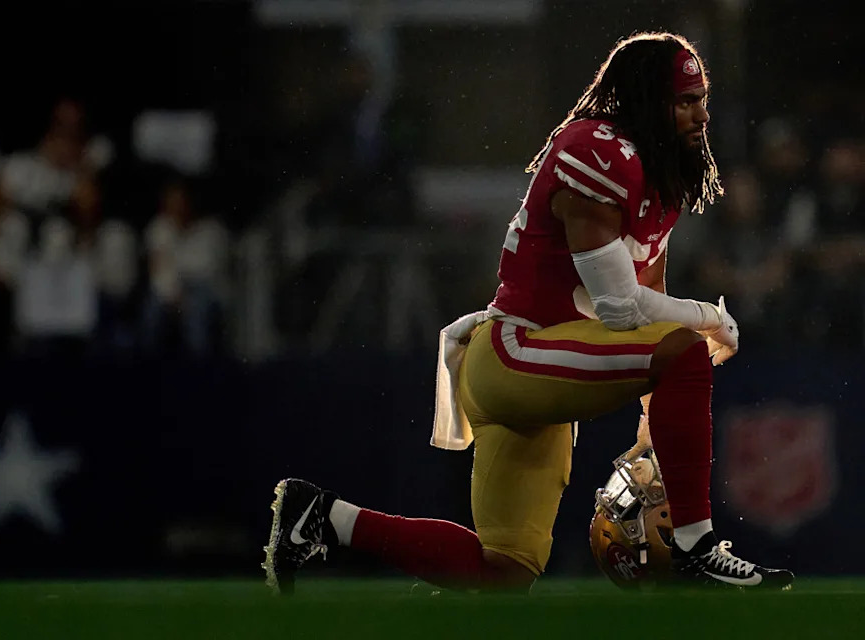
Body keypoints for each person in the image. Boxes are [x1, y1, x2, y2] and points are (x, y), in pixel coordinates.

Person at [263, 31, 794, 594]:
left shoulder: (656, 179)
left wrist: (653, 415)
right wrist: (706, 318)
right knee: (687, 348)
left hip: (541, 369)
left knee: (503, 572)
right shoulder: (598, 151)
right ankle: (695, 546)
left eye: (702, 99)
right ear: (645, 98)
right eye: (686, 101)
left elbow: (647, 308)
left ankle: (322, 518)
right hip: (515, 353)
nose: (701, 115)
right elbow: (619, 308)